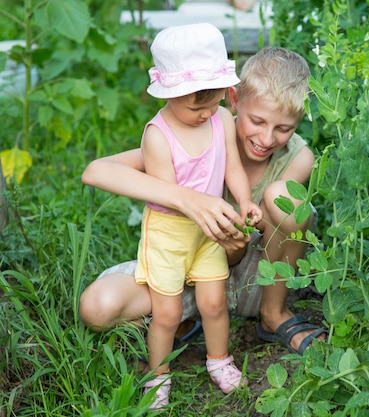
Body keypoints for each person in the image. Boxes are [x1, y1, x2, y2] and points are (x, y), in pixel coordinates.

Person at [79, 45, 328, 398]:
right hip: (191, 273)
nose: (267, 139)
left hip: (258, 278)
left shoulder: (298, 157)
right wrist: (186, 198)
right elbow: (97, 171)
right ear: (234, 99)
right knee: (97, 307)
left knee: (279, 196)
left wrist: (238, 246)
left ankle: (274, 315)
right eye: (257, 121)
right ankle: (188, 321)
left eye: (283, 128)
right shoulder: (198, 137)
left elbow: (255, 242)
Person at [122, 23, 263, 408]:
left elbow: (232, 168)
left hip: (210, 231)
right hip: (170, 233)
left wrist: (244, 199)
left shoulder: (222, 120)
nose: (204, 114)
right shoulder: (157, 135)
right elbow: (170, 197)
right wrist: (203, 208)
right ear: (170, 94)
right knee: (166, 313)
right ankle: (157, 376)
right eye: (194, 106)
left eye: (212, 102)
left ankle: (219, 360)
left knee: (213, 303)